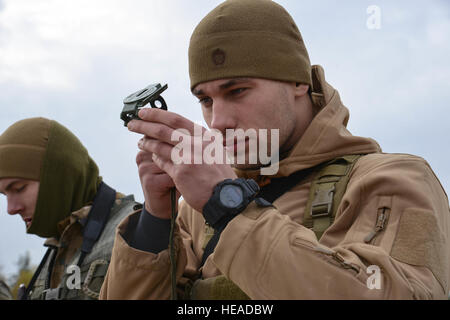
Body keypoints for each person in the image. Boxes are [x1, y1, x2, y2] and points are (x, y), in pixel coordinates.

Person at [100, 0, 449, 299]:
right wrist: (156, 219)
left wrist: (228, 206)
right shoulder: (193, 211)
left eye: (237, 91)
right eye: (205, 100)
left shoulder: (394, 182)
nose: (217, 121)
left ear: (297, 82)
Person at [0, 117, 141, 300]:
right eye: (4, 195)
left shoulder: (135, 231)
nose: (11, 209)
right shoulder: (55, 251)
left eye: (19, 188)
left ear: (58, 175)